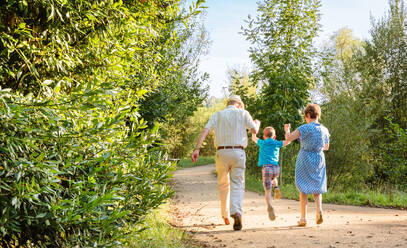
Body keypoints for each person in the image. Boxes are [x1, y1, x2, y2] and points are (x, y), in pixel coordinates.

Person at [191, 95, 258, 231]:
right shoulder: (244, 113)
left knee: (223, 184)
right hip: (238, 152)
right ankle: (237, 211)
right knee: (237, 184)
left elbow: (205, 130)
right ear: (239, 104)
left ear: (229, 103)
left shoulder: (218, 114)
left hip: (221, 153)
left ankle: (225, 215)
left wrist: (197, 149)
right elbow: (254, 131)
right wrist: (257, 123)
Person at [284, 104, 330, 227]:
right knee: (317, 186)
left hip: (305, 158)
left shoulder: (305, 128)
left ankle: (303, 219)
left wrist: (287, 129)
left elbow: (289, 138)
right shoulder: (324, 130)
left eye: (305, 116)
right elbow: (326, 147)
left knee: (303, 188)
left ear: (308, 115)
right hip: (319, 158)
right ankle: (319, 210)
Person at [251, 120, 291, 221]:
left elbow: (253, 138)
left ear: (264, 136)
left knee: (267, 191)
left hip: (266, 168)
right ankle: (276, 187)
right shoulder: (277, 143)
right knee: (274, 178)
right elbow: (288, 141)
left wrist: (256, 126)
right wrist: (287, 130)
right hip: (276, 168)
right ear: (274, 137)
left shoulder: (262, 142)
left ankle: (269, 205)